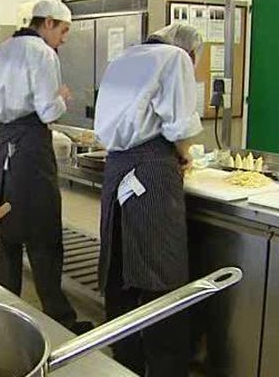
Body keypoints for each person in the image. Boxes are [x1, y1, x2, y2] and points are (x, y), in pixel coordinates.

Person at [94, 23, 204, 376]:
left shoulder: (123, 59)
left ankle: (126, 363)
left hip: (117, 170)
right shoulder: (175, 59)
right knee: (162, 276)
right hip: (153, 171)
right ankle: (166, 368)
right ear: (189, 53)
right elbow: (180, 127)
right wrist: (185, 156)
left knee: (121, 269)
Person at [0, 0, 93, 335]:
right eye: (63, 30)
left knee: (8, 229)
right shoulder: (42, 53)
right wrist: (62, 97)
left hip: (4, 146)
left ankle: (4, 309)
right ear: (47, 23)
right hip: (30, 147)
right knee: (43, 233)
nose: (64, 38)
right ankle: (59, 318)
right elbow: (47, 112)